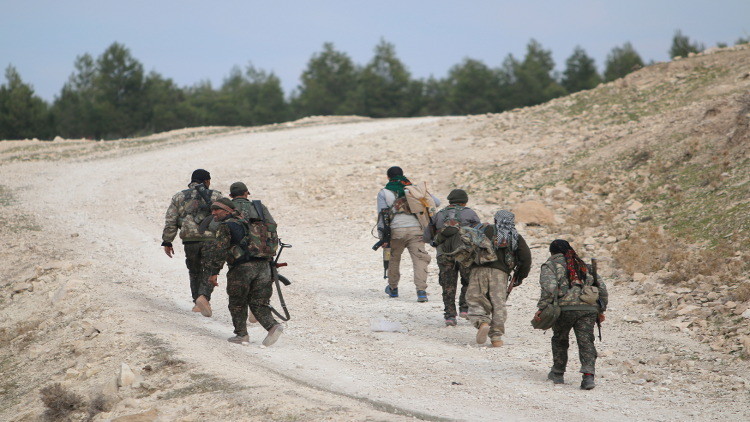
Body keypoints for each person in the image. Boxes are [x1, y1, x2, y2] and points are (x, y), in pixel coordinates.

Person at [203, 197, 284, 346]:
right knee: (259, 302)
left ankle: (241, 335)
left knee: (237, 302)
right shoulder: (248, 222)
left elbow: (220, 251)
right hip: (264, 266)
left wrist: (214, 272)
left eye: (216, 209)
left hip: (242, 269)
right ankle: (273, 326)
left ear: (227, 210)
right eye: (212, 210)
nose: (213, 213)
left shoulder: (226, 226)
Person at [535, 239, 608, 390]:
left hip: (564, 309)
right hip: (588, 310)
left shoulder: (550, 265)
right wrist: (601, 310)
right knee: (586, 341)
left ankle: (558, 373)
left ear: (552, 252)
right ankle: (588, 376)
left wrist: (542, 308)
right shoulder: (583, 265)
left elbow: (549, 289)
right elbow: (602, 289)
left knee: (560, 339)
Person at [161, 169, 223, 317]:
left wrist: (167, 241)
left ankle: (197, 302)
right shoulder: (216, 196)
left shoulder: (179, 196)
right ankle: (204, 298)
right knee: (209, 270)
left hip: (190, 241)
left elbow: (171, 220)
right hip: (211, 239)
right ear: (207, 181)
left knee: (194, 271)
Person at [467, 210, 531, 346]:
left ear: (495, 220)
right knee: (498, 304)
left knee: (475, 299)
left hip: (478, 270)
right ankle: (496, 337)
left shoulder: (483, 230)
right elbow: (526, 258)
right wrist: (520, 276)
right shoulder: (514, 236)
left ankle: (482, 322)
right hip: (500, 274)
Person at [376, 166, 440, 302]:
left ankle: (393, 288)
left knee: (393, 258)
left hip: (396, 231)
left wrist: (383, 238)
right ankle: (421, 291)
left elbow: (382, 216)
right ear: (403, 175)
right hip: (416, 231)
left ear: (388, 177)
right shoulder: (414, 189)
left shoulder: (384, 193)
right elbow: (436, 202)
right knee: (420, 259)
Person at [424, 189, 480, 326]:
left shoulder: (439, 214)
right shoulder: (470, 213)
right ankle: (464, 308)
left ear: (450, 201)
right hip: (465, 254)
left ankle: (450, 316)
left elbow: (427, 237)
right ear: (465, 201)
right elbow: (479, 235)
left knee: (448, 285)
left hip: (444, 255)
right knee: (468, 281)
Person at [228, 181, 274, 324]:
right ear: (246, 193)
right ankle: (257, 311)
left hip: (238, 258)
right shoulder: (258, 207)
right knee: (260, 288)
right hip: (260, 255)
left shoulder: (227, 208)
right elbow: (271, 227)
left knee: (238, 295)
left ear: (231, 195)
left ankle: (241, 332)